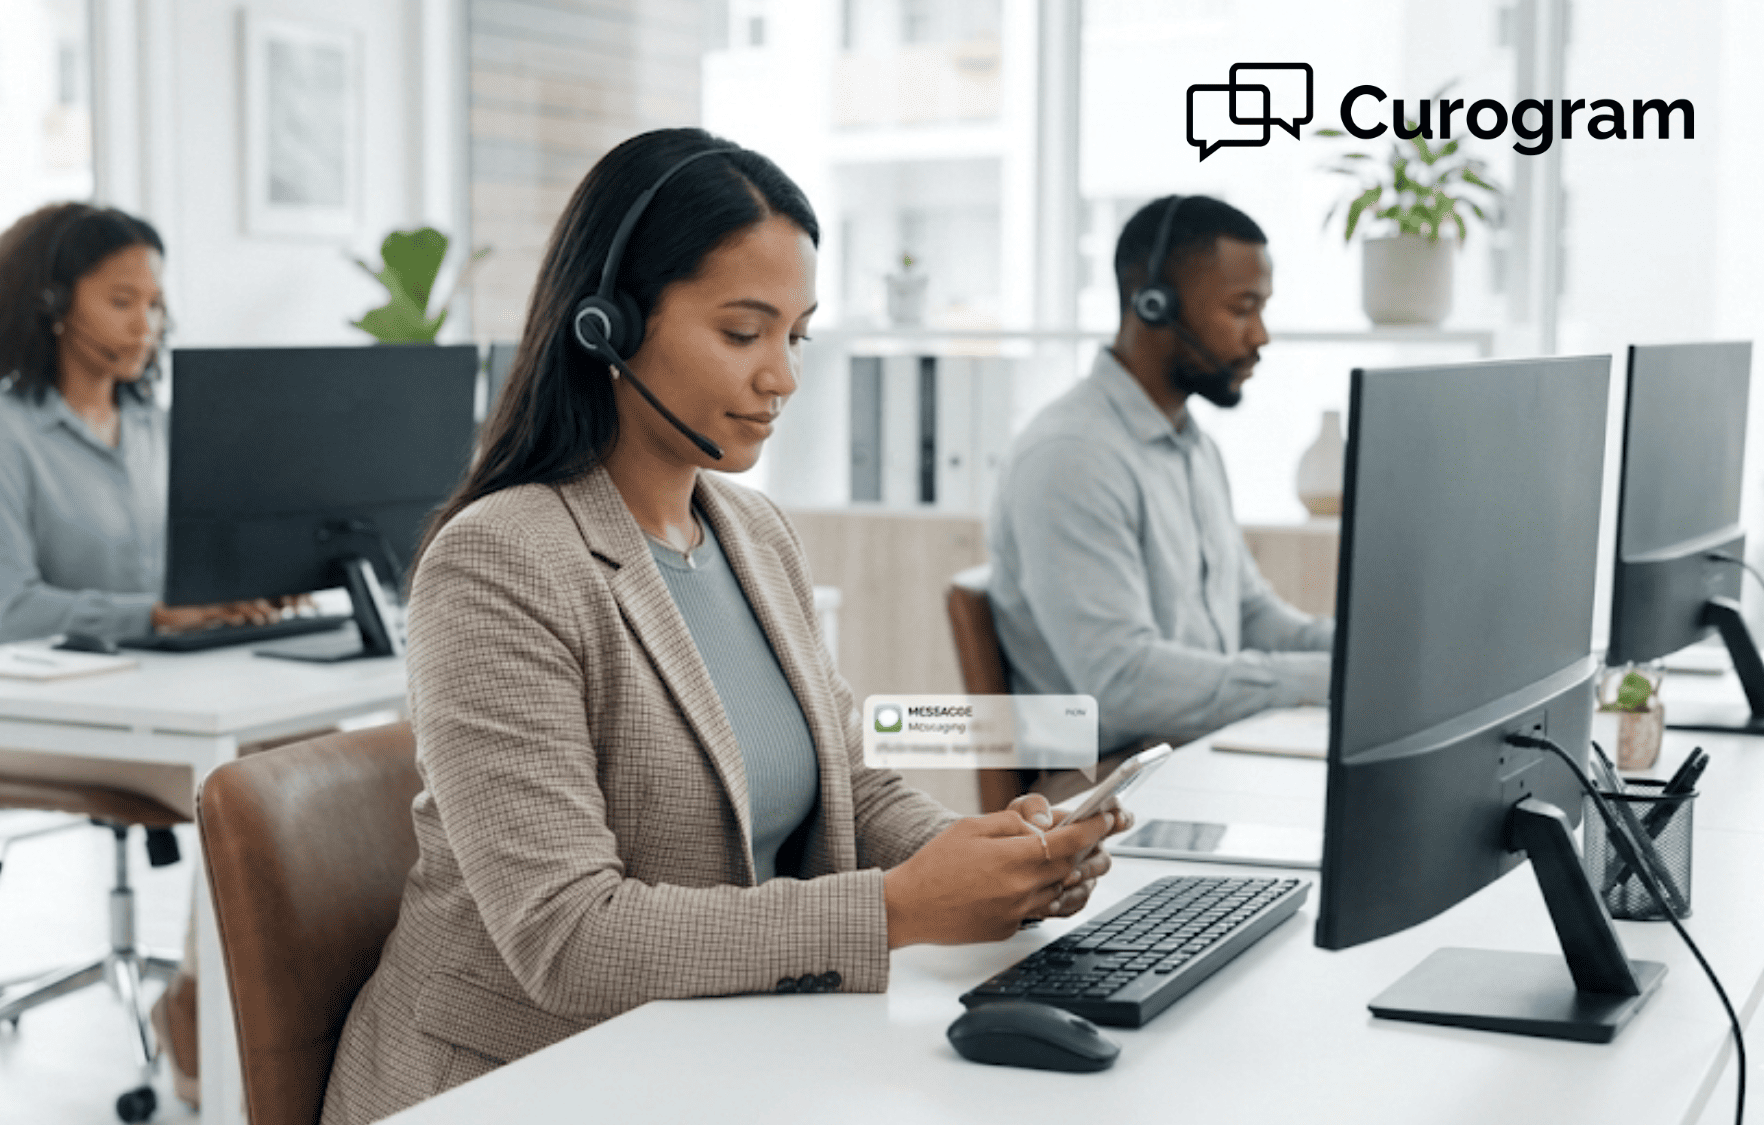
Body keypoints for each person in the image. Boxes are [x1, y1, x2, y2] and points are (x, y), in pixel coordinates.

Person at [319, 128, 1133, 1125]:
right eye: (743, 334)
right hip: (518, 1080)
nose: (782, 376)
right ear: (606, 326)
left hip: (709, 1055)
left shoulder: (752, 533)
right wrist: (900, 910)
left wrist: (991, 860)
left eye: (796, 335)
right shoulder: (499, 563)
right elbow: (568, 938)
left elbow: (845, 776)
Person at [0, 201, 276, 1104]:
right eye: (122, 300)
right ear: (56, 302)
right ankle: (204, 1012)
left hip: (153, 695)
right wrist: (160, 613)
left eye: (155, 303)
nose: (146, 323)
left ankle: (234, 1005)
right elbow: (9, 610)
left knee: (316, 757)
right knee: (244, 795)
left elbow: (184, 576)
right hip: (24, 710)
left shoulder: (158, 427)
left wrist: (236, 587)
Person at [988, 194, 1333, 761]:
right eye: (1242, 308)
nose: (1260, 336)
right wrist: (1321, 683)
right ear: (1153, 304)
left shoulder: (1195, 450)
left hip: (1196, 754)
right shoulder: (1072, 456)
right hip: (1110, 782)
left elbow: (1251, 616)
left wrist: (1371, 656)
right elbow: (1123, 682)